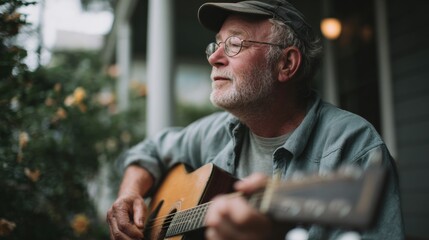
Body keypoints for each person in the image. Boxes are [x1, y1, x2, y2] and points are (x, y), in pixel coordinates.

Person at [106, 0, 405, 239]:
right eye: (216, 44)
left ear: (286, 64)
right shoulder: (216, 131)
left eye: (234, 44)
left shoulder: (353, 147)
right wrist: (129, 194)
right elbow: (150, 151)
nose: (214, 57)